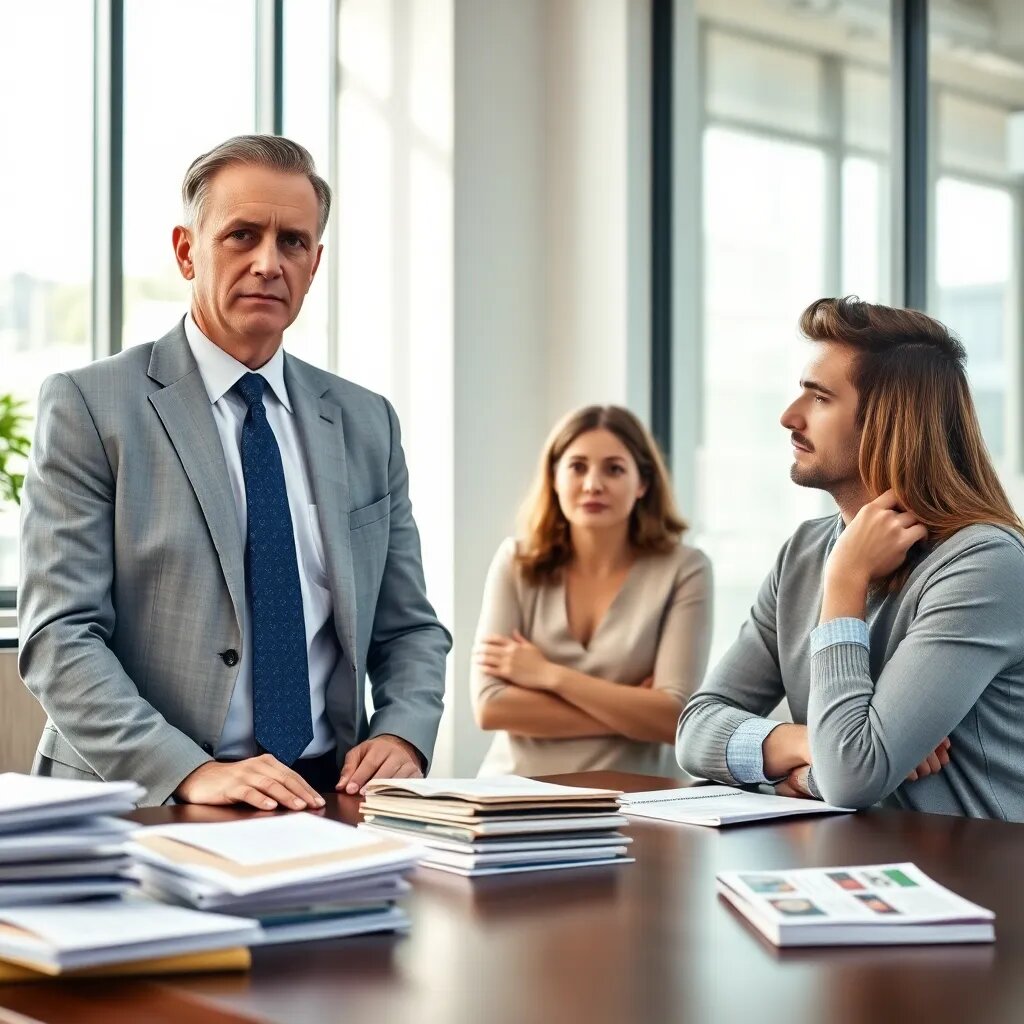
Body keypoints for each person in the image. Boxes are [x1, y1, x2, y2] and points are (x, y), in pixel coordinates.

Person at [19, 135, 450, 808]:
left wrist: (404, 732)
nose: (268, 263)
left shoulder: (368, 423)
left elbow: (410, 629)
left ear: (315, 263)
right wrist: (190, 771)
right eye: (242, 235)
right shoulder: (89, 406)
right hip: (140, 801)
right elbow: (59, 636)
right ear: (187, 250)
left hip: (326, 801)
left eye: (293, 243)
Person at [676, 296, 1024, 818]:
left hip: (971, 879)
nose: (788, 417)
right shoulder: (803, 551)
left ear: (888, 420)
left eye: (819, 398)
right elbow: (695, 728)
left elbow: (852, 777)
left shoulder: (985, 566)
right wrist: (807, 746)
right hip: (851, 870)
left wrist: (845, 581)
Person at [472, 405, 712, 777]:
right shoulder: (515, 562)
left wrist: (549, 675)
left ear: (643, 483)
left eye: (614, 469)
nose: (593, 485)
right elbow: (491, 707)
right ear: (554, 477)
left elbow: (673, 718)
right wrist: (633, 708)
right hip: (514, 797)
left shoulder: (686, 569)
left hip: (640, 801)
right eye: (577, 467)